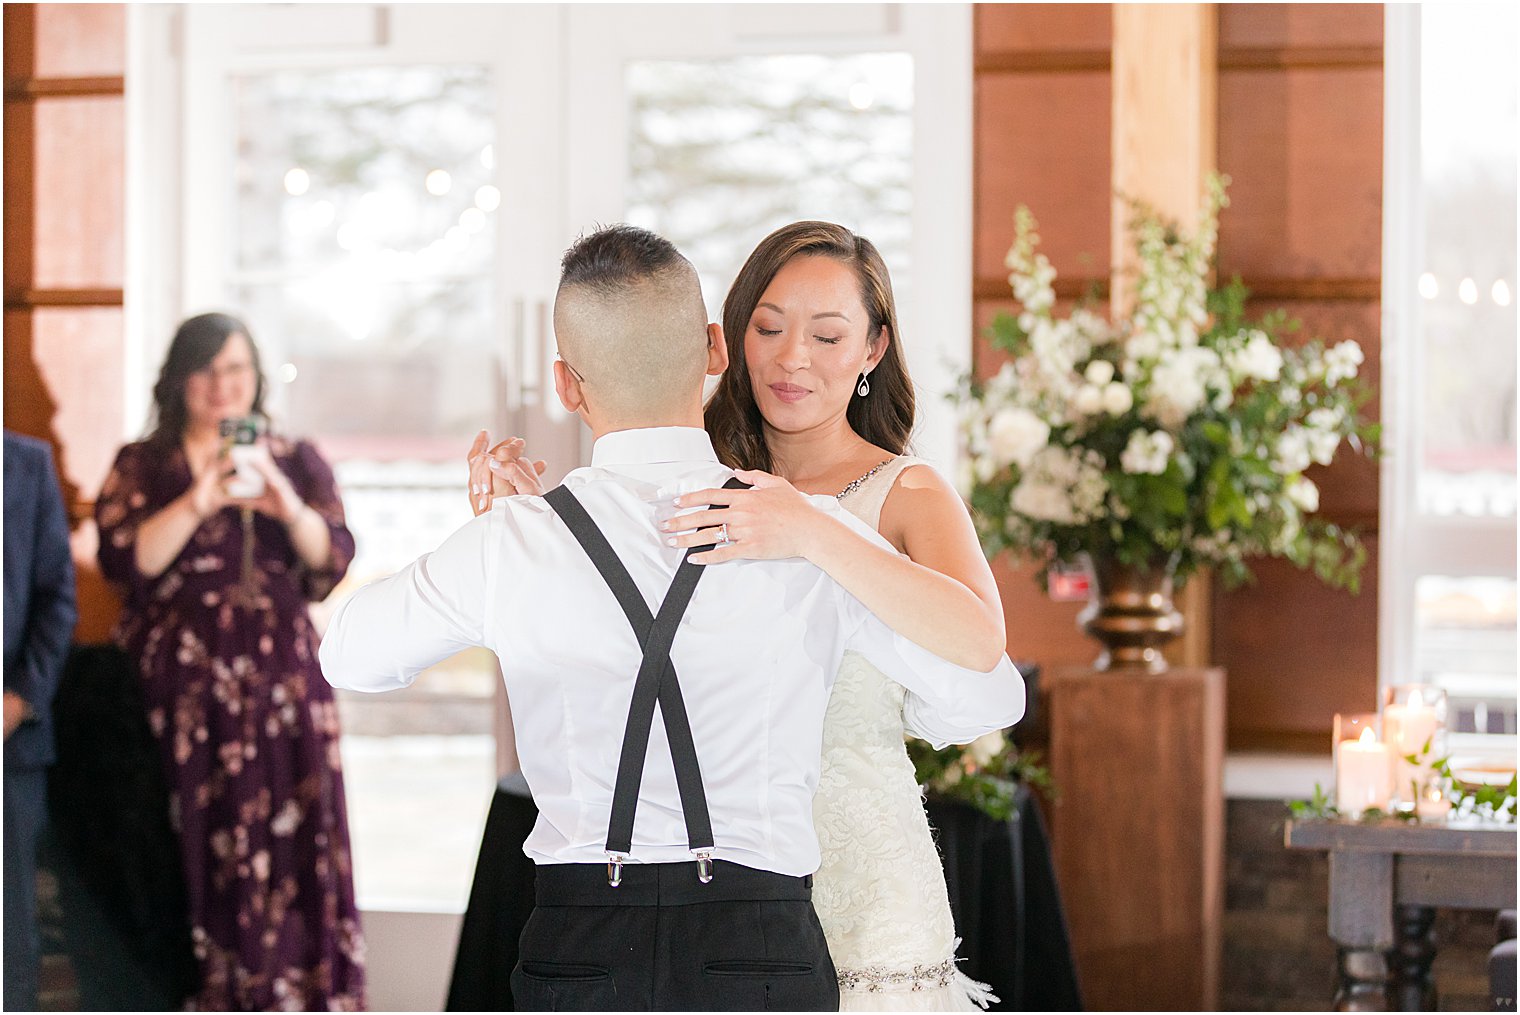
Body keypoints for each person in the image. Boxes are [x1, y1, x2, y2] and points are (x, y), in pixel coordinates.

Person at [322, 225, 1024, 1012]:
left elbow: (347, 653)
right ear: (717, 349)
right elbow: (988, 697)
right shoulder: (803, 533)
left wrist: (497, 548)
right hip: (762, 945)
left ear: (567, 383)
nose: (795, 355)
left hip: (579, 944)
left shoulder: (517, 539)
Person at [94, 313, 364, 1011]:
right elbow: (127, 560)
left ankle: (289, 995)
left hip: (281, 688)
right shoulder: (144, 464)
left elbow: (332, 556)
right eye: (207, 371)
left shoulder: (294, 458)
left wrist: (282, 500)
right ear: (180, 380)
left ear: (256, 379)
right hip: (178, 691)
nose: (223, 386)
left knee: (289, 842)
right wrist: (200, 496)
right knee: (185, 840)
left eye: (236, 370)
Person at [4, 430, 79, 1012]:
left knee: (11, 933)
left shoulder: (27, 465)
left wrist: (19, 700)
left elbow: (58, 598)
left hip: (12, 742)